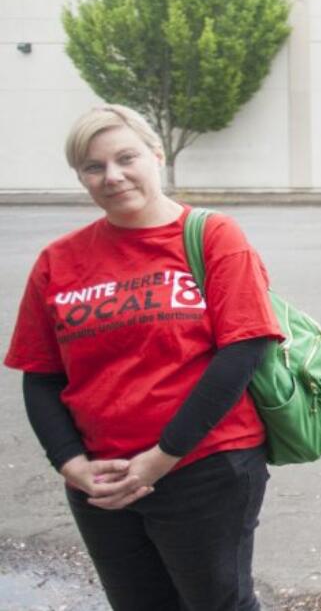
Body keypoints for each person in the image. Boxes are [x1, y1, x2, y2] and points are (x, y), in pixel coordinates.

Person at [5, 104, 281, 611]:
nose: (112, 176)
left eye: (125, 157)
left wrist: (161, 459)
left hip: (203, 468)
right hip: (102, 481)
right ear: (81, 177)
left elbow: (242, 351)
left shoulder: (213, 236)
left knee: (218, 604)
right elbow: (41, 376)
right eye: (93, 166)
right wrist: (71, 464)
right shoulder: (58, 261)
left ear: (156, 156)